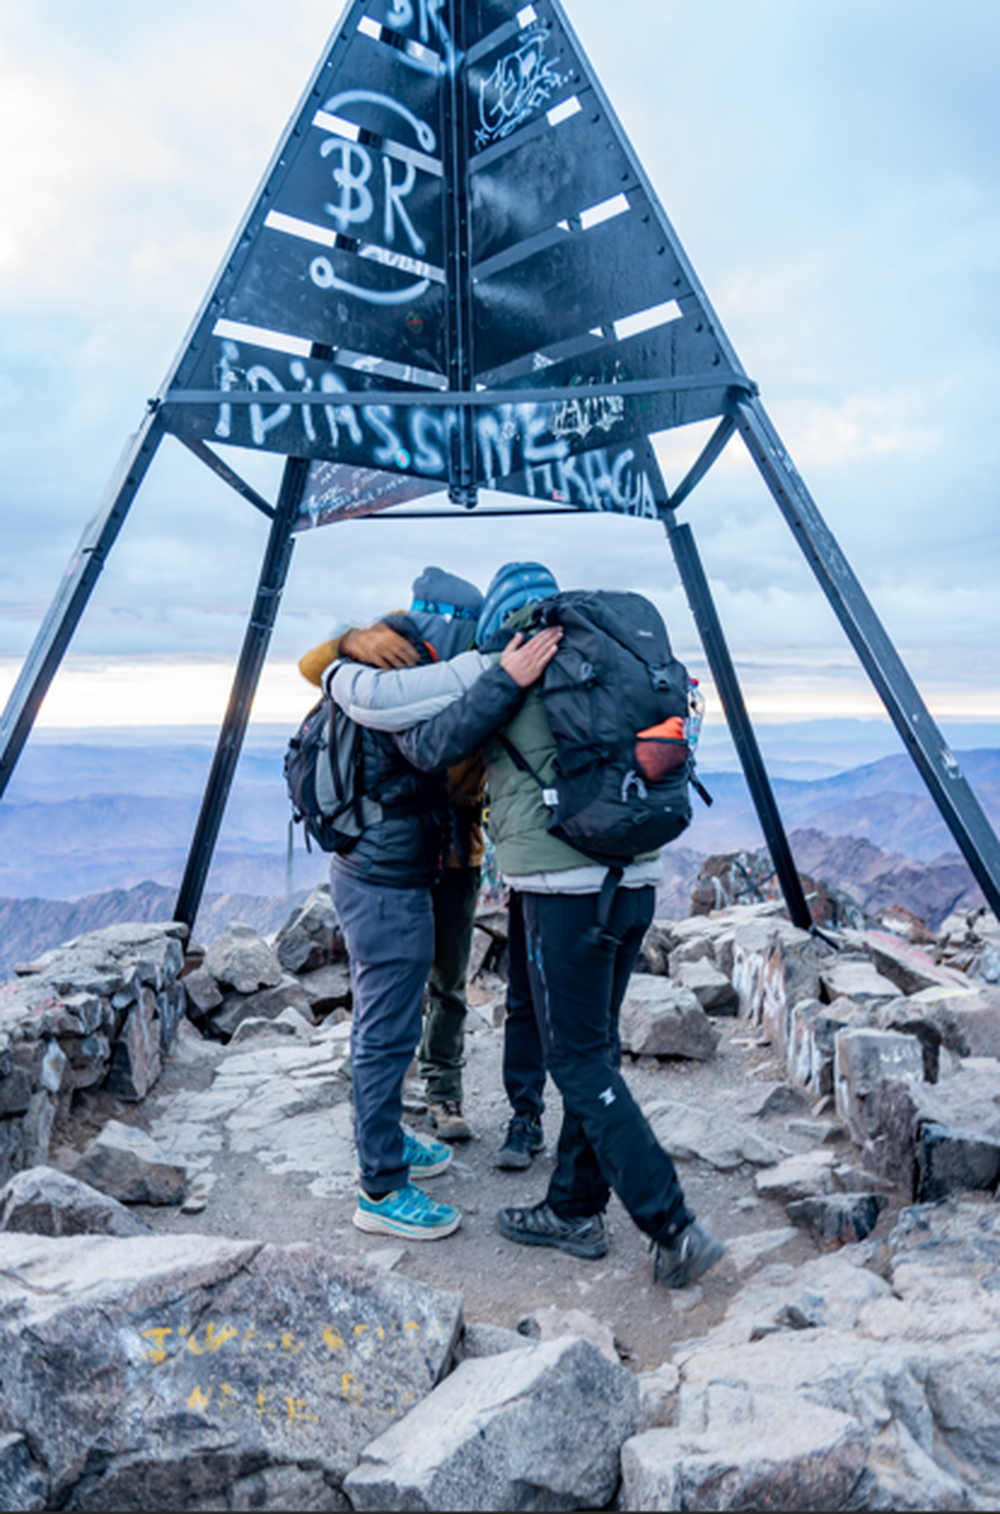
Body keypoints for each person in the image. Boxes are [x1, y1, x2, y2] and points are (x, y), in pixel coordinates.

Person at [329, 563, 726, 1288]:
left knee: (576, 1060)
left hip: (562, 887)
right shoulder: (607, 662)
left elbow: (427, 746)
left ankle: (670, 1223)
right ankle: (574, 1207)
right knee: (595, 1048)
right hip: (636, 873)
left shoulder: (514, 666)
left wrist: (498, 679)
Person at [316, 590, 562, 1241]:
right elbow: (433, 747)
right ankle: (382, 1189)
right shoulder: (384, 683)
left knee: (389, 1017)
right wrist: (505, 678)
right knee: (388, 1030)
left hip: (387, 868)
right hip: (383, 878)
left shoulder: (381, 673)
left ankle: (387, 1137)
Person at [299, 568, 486, 1143]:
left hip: (454, 849)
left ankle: (442, 1089)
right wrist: (350, 641)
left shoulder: (475, 667)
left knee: (446, 980)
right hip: (399, 850)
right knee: (388, 977)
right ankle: (375, 1081)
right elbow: (313, 667)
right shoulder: (389, 658)